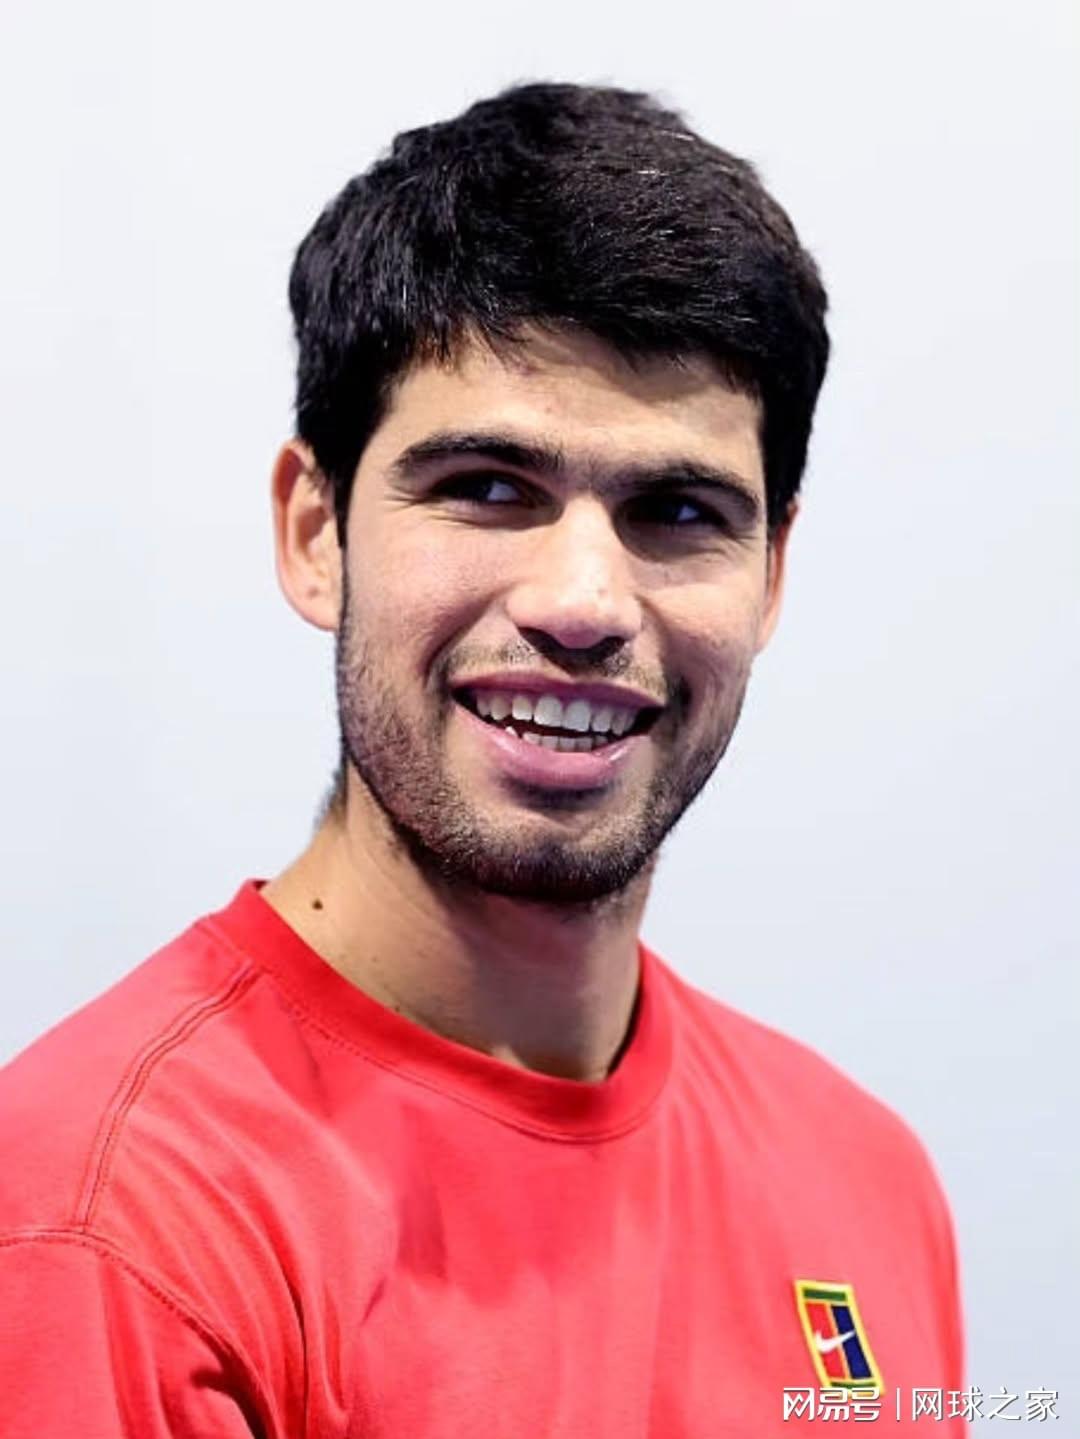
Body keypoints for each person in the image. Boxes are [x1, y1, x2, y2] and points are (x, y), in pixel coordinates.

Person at [0, 82, 966, 1435]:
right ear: (317, 532)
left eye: (678, 511)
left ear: (770, 576)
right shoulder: (103, 1228)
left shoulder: (866, 1182)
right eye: (490, 489)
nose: (583, 603)